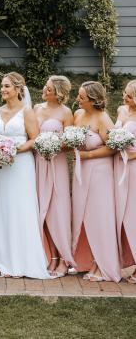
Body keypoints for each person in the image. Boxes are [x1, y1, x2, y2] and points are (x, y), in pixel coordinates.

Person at [0, 72, 51, 278]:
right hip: (1, 169)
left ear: (18, 89)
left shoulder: (27, 112)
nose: (2, 90)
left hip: (21, 166)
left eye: (7, 86)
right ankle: (1, 258)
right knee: (3, 207)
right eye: (1, 86)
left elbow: (35, 139)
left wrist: (13, 150)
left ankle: (23, 259)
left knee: (21, 207)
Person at [72, 81, 121, 282]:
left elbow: (113, 147)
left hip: (100, 172)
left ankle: (103, 264)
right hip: (79, 172)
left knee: (100, 217)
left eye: (82, 97)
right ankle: (86, 260)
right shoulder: (77, 115)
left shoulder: (103, 119)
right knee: (81, 216)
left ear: (92, 100)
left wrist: (88, 157)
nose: (78, 99)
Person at [34, 75, 76, 277]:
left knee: (58, 211)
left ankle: (63, 259)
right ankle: (50, 256)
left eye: (48, 88)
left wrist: (53, 145)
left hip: (56, 164)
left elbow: (69, 143)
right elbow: (31, 136)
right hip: (38, 164)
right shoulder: (36, 109)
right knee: (42, 209)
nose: (44, 89)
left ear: (58, 93)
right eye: (45, 86)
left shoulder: (66, 112)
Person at [114, 80, 136, 283]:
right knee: (120, 214)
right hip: (118, 166)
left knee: (133, 214)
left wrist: (131, 155)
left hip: (133, 167)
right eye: (125, 93)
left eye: (129, 96)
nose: (124, 97)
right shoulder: (121, 110)